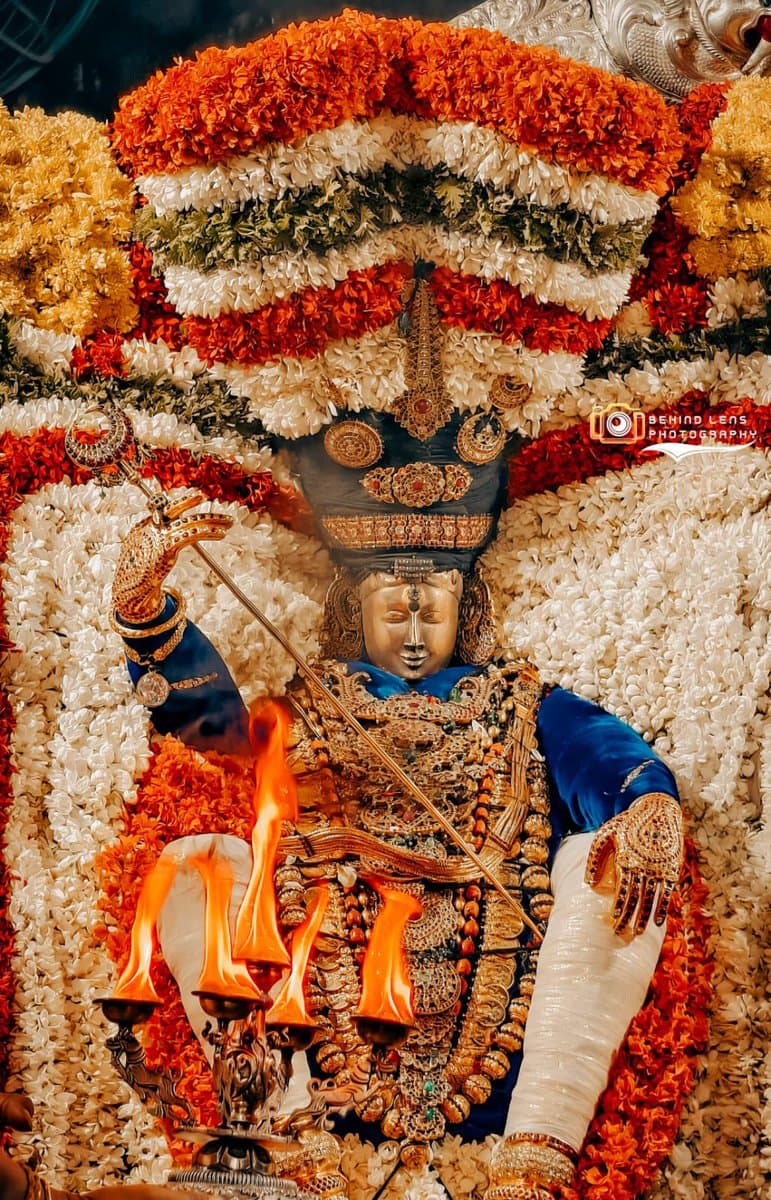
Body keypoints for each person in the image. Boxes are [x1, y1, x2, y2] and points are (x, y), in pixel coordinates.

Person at [101, 286, 684, 1200]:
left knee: (607, 864)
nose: (412, 631)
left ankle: (538, 1146)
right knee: (195, 862)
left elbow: (609, 762)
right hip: (320, 996)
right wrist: (147, 613)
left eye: (431, 609)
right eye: (392, 609)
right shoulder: (309, 701)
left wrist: (647, 806)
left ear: (467, 609)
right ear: (352, 610)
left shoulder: (519, 702)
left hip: (501, 1009)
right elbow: (207, 727)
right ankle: (280, 1129)